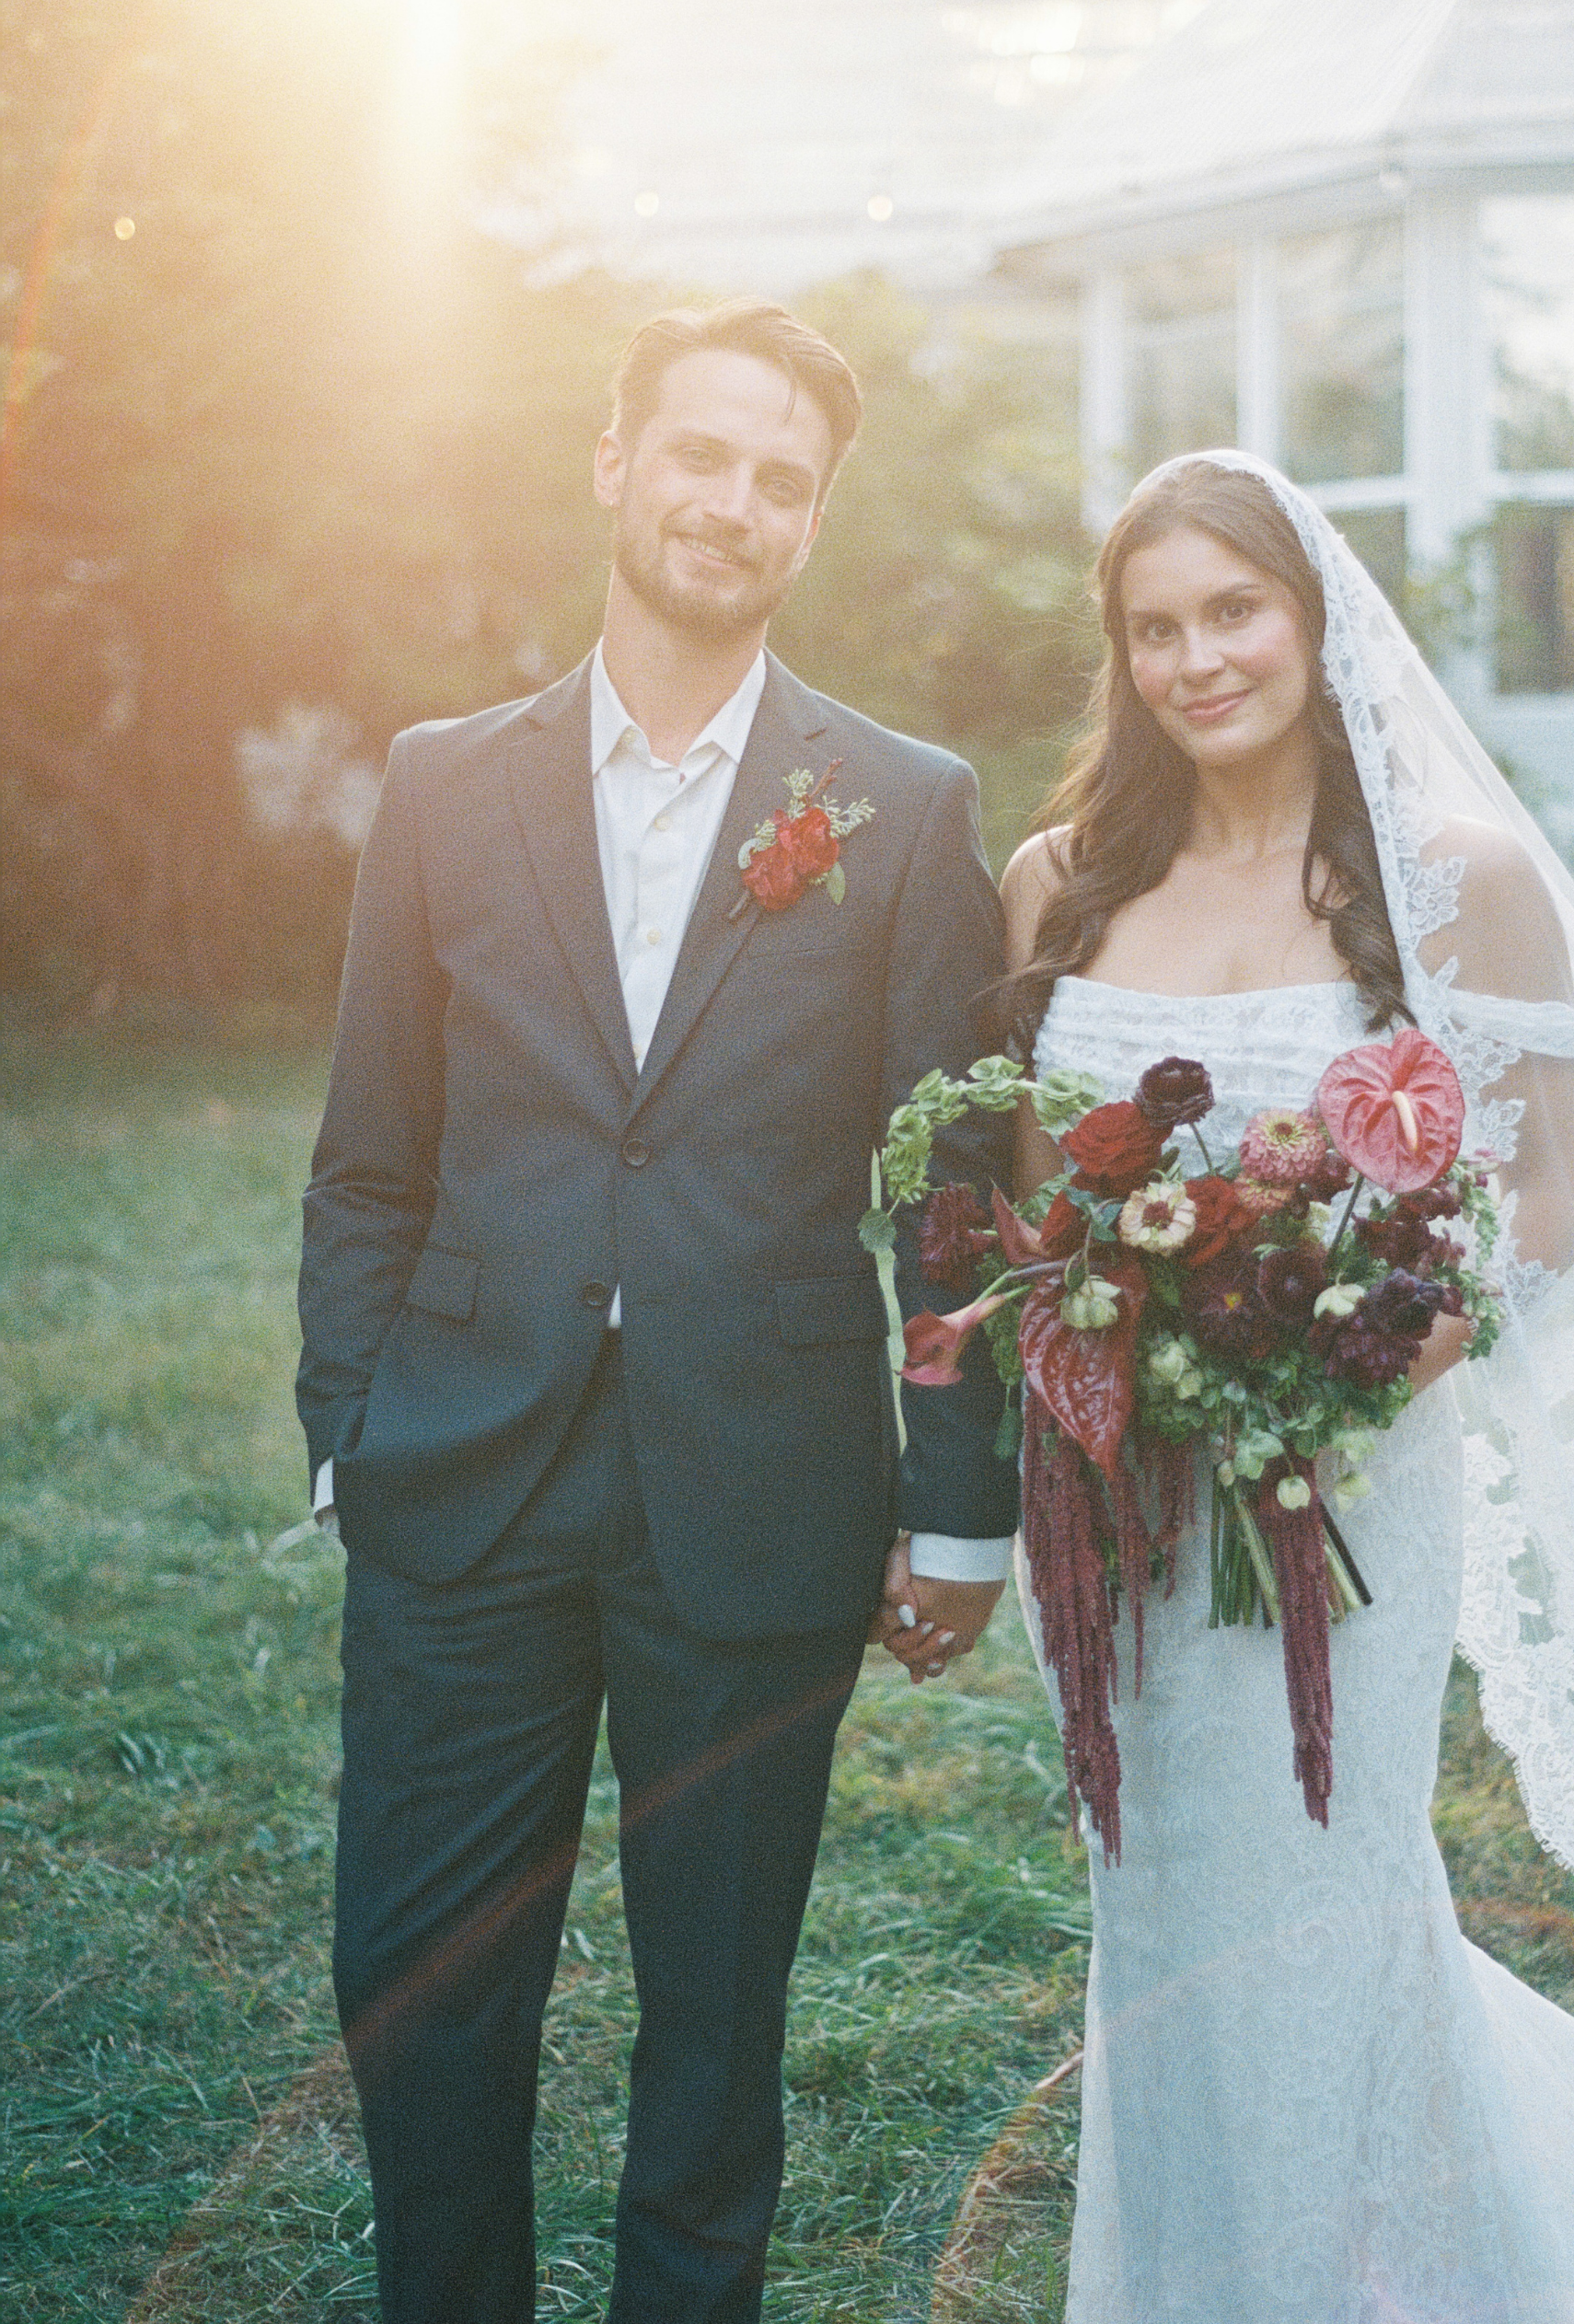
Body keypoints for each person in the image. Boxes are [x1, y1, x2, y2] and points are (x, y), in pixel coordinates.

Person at [996, 449, 1574, 2320]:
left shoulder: (1456, 882)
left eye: (1232, 611)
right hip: (1120, 1491)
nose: (1196, 659)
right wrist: (1097, 1342)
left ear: (1311, 616)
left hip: (1347, 1488)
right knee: (1158, 1912)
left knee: (1318, 1898)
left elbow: (1550, 1189)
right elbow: (1020, 1193)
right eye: (1153, 628)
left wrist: (1352, 1365)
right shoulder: (1056, 881)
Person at [296, 298, 1013, 2324]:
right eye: (699, 454)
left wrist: (954, 1508)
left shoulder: (898, 802)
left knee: (713, 2024)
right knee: (422, 1988)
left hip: (758, 1496)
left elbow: (953, 1195)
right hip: (464, 1477)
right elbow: (371, 1150)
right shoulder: (445, 782)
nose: (735, 501)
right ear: (616, 464)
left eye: (780, 478)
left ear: (811, 522)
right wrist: (350, 1418)